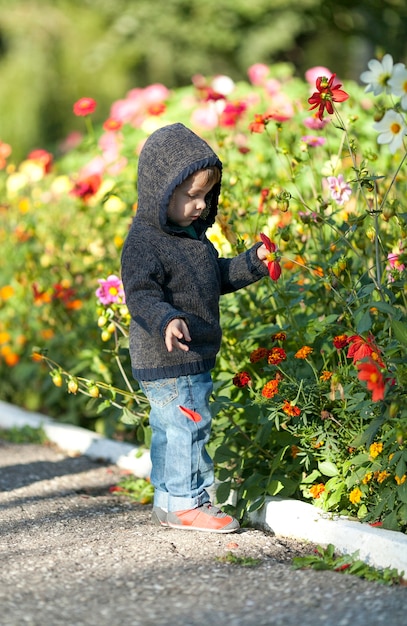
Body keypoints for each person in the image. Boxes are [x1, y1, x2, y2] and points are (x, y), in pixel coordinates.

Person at [121, 123, 270, 533]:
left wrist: (252, 263)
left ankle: (170, 501)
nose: (200, 205)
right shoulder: (145, 242)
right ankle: (190, 501)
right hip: (171, 353)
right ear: (160, 191)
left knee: (172, 429)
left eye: (206, 195)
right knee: (190, 423)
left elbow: (213, 277)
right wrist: (166, 319)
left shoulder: (190, 239)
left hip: (189, 354)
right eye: (190, 196)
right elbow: (140, 294)